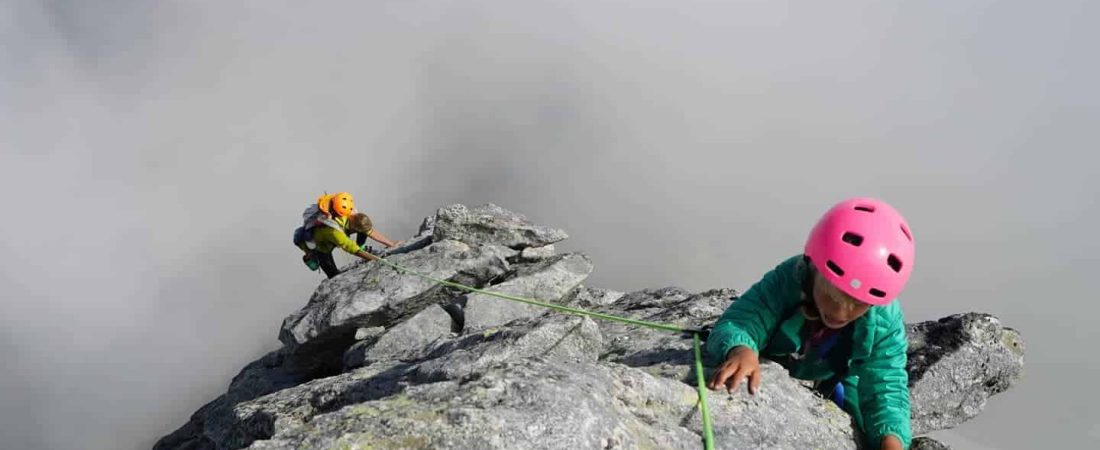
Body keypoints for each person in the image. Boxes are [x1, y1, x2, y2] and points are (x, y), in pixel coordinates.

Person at [705, 197, 914, 450]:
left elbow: (885, 383)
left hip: (835, 376)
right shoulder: (789, 279)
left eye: (858, 305)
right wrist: (741, 349)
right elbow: (743, 321)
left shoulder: (883, 318)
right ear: (813, 268)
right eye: (831, 296)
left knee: (869, 431)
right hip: (780, 360)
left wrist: (891, 438)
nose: (840, 313)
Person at [293, 192, 401, 278]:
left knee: (363, 229)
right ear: (353, 227)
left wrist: (391, 244)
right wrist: (376, 260)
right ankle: (310, 257)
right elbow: (351, 248)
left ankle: (362, 245)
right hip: (321, 247)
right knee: (334, 276)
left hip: (332, 238)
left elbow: (369, 231)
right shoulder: (332, 230)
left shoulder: (350, 214)